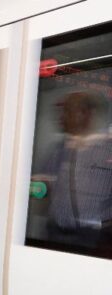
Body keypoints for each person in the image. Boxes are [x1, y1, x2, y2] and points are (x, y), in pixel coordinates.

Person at [37, 91, 112, 257]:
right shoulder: (58, 150)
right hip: (55, 234)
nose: (63, 117)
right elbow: (43, 186)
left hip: (94, 238)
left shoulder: (108, 149)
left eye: (69, 111)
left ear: (86, 114)